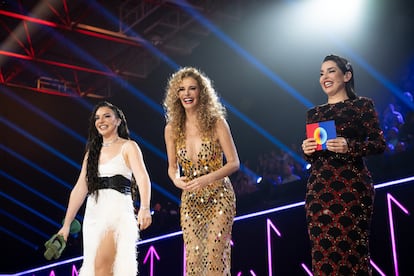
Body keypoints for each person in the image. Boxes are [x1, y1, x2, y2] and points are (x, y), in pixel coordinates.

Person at [301, 55, 386, 275]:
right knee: (323, 252)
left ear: (346, 75)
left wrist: (350, 146)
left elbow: (378, 143)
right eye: (321, 73)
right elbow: (315, 157)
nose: (325, 77)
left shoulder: (362, 105)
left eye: (330, 71)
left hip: (351, 187)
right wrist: (307, 151)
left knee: (352, 250)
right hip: (319, 190)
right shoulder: (314, 113)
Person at [57, 101, 152, 276]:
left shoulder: (129, 146)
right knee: (94, 268)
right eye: (97, 118)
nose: (101, 120)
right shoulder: (92, 152)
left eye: (107, 116)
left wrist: (145, 207)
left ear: (118, 121)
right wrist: (67, 224)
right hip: (93, 214)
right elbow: (80, 188)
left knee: (103, 266)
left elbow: (142, 177)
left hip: (116, 212)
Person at [163, 67, 239, 275]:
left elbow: (234, 163)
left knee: (215, 255)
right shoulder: (171, 129)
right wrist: (177, 180)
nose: (186, 94)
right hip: (190, 199)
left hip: (219, 196)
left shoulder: (217, 122)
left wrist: (207, 179)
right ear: (176, 95)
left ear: (201, 92)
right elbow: (172, 168)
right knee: (194, 259)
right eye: (182, 89)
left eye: (192, 88)